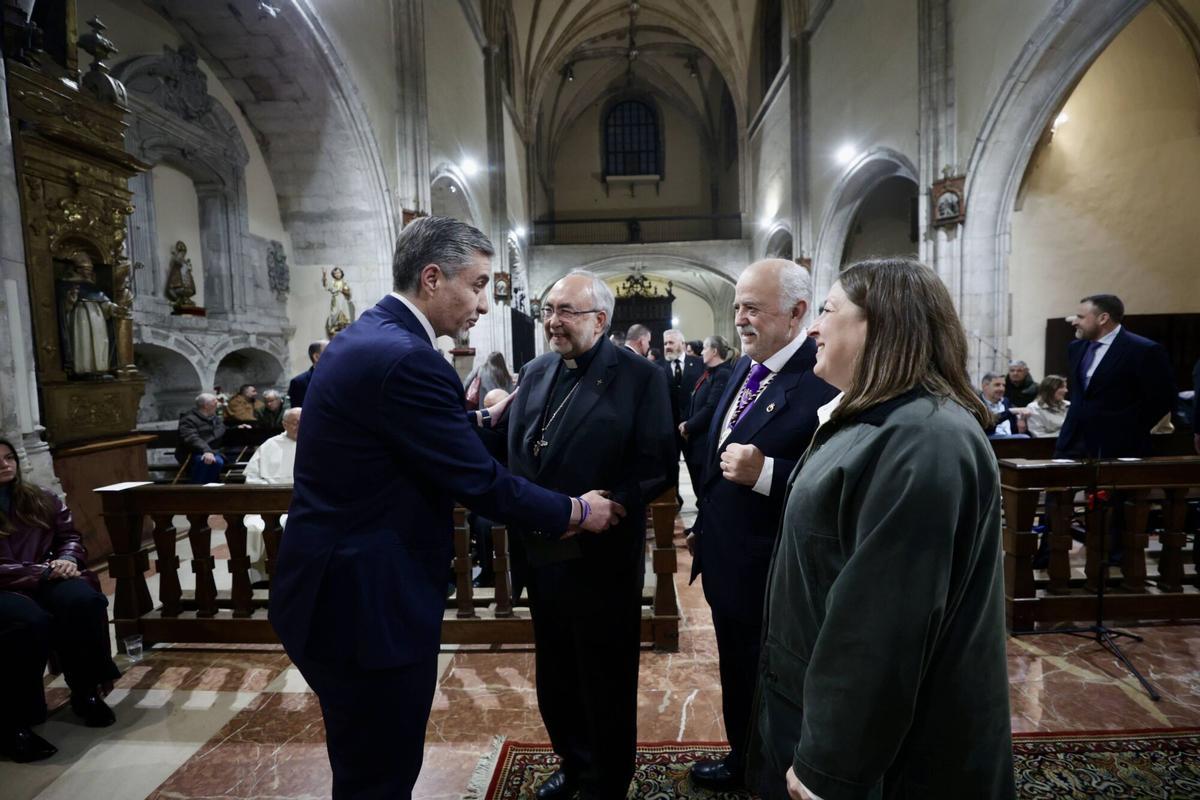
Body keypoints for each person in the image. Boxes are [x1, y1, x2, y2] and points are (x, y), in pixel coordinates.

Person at [269, 216, 623, 800]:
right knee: (379, 773)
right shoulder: (410, 358)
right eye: (478, 284)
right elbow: (479, 483)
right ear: (432, 278)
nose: (484, 304)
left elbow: (405, 431)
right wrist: (576, 512)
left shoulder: (366, 335)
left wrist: (480, 418)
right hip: (367, 602)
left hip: (330, 585)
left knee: (364, 760)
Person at [748, 257, 1014, 800]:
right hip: (822, 705)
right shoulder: (874, 419)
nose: (814, 328)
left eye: (828, 311)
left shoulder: (923, 439)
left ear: (882, 325)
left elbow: (882, 626)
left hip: (891, 755)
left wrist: (828, 764)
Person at [501, 270, 675, 800]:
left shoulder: (639, 377)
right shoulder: (535, 370)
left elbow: (656, 465)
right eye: (549, 310)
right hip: (540, 553)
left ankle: (607, 779)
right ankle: (574, 763)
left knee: (605, 676)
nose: (553, 321)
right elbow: (521, 445)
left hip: (600, 556)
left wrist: (607, 506)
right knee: (555, 675)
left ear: (600, 320)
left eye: (566, 312)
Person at [687, 259, 838, 791]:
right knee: (738, 669)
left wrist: (768, 473)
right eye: (737, 307)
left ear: (797, 313)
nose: (740, 319)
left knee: (779, 681)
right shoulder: (745, 368)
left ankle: (777, 774)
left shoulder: (822, 380)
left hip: (778, 571)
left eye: (753, 308)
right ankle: (744, 758)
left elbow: (844, 478)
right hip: (728, 561)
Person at [0, 439, 121, 763]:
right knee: (29, 622)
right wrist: (41, 572)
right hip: (7, 585)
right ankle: (15, 722)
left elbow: (69, 537)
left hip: (44, 575)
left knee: (83, 601)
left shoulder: (41, 497)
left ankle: (85, 691)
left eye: (9, 457)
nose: (5, 465)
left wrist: (67, 559)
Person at [1055, 294, 1175, 459]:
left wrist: (1129, 427)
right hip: (1071, 443)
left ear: (1103, 318)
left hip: (1119, 446)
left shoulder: (1143, 350)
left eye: (1081, 317)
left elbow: (1164, 398)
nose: (1074, 321)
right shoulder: (1076, 347)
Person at [243, 407, 301, 584]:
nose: (299, 426)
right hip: (269, 504)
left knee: (293, 525)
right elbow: (252, 478)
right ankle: (263, 578)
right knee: (255, 527)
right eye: (295, 423)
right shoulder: (270, 445)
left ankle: (297, 577)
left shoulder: (316, 444)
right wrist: (271, 494)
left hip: (302, 504)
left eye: (303, 422)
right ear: (284, 424)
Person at [679, 334, 733, 500]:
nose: (701, 352)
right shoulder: (709, 373)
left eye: (705, 348)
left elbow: (711, 408)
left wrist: (688, 426)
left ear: (714, 351)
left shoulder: (722, 374)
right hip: (697, 441)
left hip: (705, 442)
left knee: (704, 490)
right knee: (699, 489)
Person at [662, 328, 705, 449]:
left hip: (693, 424)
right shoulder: (658, 367)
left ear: (682, 344)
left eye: (671, 343)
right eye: (665, 343)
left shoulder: (699, 363)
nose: (667, 346)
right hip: (669, 427)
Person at [175, 393, 226, 483]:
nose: (217, 405)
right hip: (193, 452)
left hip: (213, 451)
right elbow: (191, 437)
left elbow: (222, 429)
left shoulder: (214, 418)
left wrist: (238, 427)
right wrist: (206, 450)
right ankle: (198, 487)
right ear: (206, 405)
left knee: (218, 461)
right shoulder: (188, 419)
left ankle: (210, 486)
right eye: (215, 402)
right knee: (212, 461)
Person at [980, 372, 1029, 438]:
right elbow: (987, 425)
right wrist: (1010, 412)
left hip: (1010, 439)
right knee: (1023, 438)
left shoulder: (1006, 402)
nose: (1002, 389)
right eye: (997, 385)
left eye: (1003, 385)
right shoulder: (978, 404)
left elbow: (1017, 427)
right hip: (989, 440)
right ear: (985, 386)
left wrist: (1021, 420)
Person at [287, 340, 326, 408]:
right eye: (330, 352)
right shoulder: (298, 383)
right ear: (316, 357)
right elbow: (298, 412)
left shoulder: (340, 377)